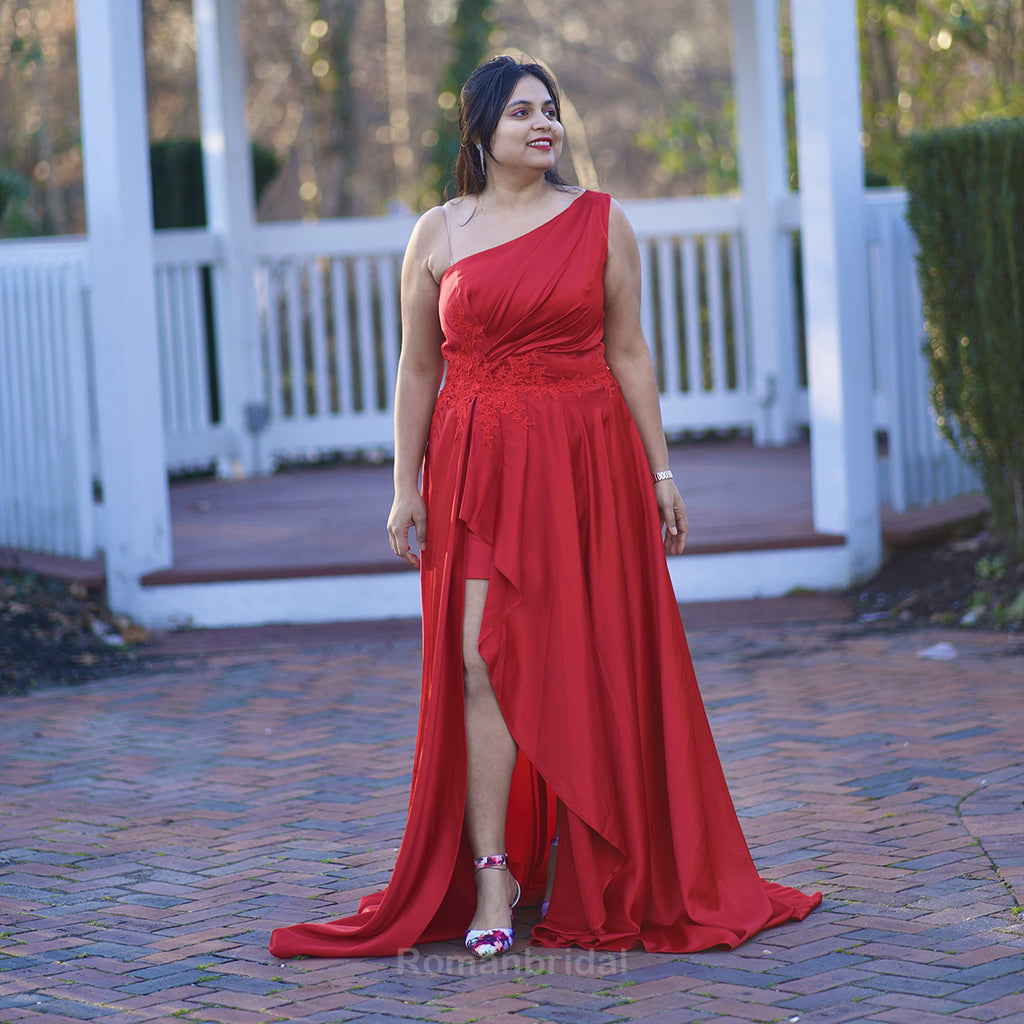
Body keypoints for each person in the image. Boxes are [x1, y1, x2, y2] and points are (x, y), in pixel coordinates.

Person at [268, 55, 821, 961]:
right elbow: (417, 369)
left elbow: (630, 351)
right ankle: (494, 874)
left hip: (585, 462)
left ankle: (604, 865)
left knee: (589, 661)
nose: (543, 124)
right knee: (480, 661)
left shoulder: (601, 221)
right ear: (479, 132)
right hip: (477, 469)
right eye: (522, 111)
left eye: (550, 110)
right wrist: (404, 482)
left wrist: (662, 471)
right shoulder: (437, 234)